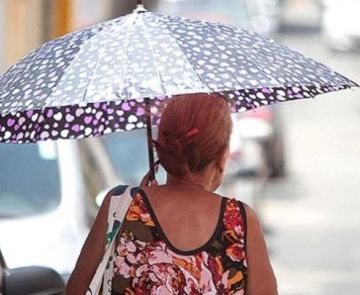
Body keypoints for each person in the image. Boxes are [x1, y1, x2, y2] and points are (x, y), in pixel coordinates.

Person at [67, 93, 277, 294]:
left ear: (163, 151)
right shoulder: (239, 220)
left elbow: (76, 290)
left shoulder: (120, 205)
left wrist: (135, 202)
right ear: (222, 157)